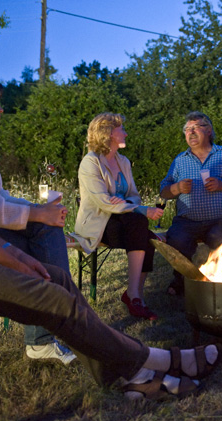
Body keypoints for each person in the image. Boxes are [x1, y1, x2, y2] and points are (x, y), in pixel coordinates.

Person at [0, 35, 222, 400]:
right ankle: (157, 361)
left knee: (55, 277)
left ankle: (128, 377)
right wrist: (15, 258)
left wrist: (21, 257)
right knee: (54, 297)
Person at [0, 79, 75, 363]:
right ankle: (65, 321)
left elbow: (1, 196)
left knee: (46, 228)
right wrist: (37, 214)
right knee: (43, 231)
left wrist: (38, 209)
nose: (2, 108)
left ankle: (52, 331)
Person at [74, 113, 163, 320]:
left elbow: (134, 197)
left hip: (127, 222)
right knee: (140, 224)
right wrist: (133, 207)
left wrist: (123, 204)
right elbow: (103, 203)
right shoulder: (90, 163)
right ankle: (134, 296)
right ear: (108, 133)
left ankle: (135, 295)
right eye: (121, 129)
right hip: (99, 223)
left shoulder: (123, 161)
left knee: (144, 235)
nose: (126, 133)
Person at [159, 111, 222, 295]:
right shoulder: (180, 160)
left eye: (196, 128)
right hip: (186, 221)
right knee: (177, 240)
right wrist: (176, 188)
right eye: (187, 129)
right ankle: (181, 281)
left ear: (208, 130)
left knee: (221, 239)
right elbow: (164, 190)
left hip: (219, 220)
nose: (191, 132)